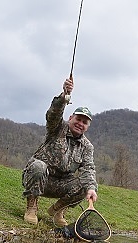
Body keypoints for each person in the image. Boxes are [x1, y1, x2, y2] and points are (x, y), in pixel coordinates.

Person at [21, 77, 98, 227]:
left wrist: (91, 189)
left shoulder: (87, 147)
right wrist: (64, 96)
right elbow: (53, 113)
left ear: (87, 126)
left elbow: (88, 169)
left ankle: (58, 211)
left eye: (84, 122)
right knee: (38, 166)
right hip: (40, 177)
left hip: (62, 184)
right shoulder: (57, 127)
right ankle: (31, 207)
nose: (80, 124)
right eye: (78, 119)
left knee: (88, 184)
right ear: (70, 118)